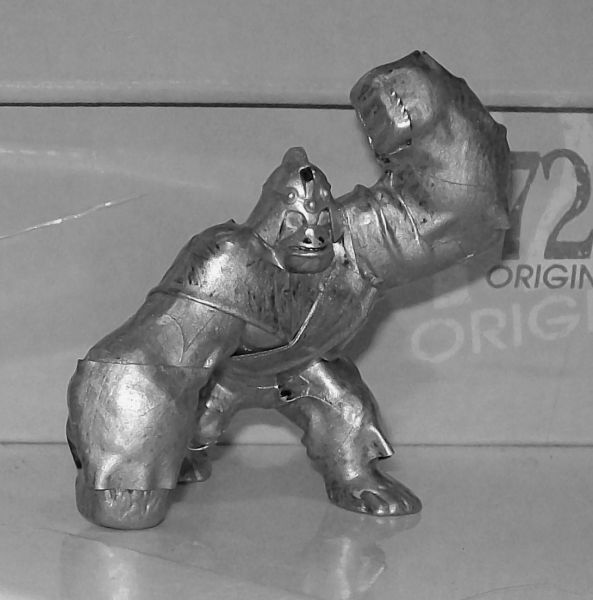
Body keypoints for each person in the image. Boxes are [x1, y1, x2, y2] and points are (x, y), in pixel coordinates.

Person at [67, 51, 509, 529]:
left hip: (301, 370)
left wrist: (431, 105)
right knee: (137, 489)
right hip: (216, 376)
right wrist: (127, 460)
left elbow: (460, 216)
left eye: (321, 222)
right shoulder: (229, 260)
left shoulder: (349, 252)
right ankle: (177, 446)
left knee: (348, 409)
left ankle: (350, 474)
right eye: (296, 222)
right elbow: (142, 357)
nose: (313, 234)